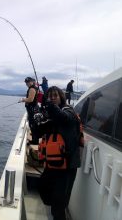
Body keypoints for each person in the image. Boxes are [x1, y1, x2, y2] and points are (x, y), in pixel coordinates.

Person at [37, 86, 81, 220]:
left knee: (59, 203)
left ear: (61, 97)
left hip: (67, 166)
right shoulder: (52, 114)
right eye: (49, 96)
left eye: (55, 96)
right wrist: (37, 119)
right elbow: (38, 131)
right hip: (52, 163)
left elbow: (64, 118)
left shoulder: (68, 111)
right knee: (43, 187)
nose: (52, 98)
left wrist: (49, 105)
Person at [19, 77, 39, 144]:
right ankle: (35, 138)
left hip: (32, 109)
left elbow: (30, 99)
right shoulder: (34, 87)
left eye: (28, 82)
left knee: (33, 125)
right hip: (33, 108)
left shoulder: (32, 89)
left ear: (32, 81)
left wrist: (23, 100)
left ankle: (35, 141)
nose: (27, 83)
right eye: (26, 82)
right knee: (33, 124)